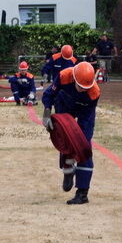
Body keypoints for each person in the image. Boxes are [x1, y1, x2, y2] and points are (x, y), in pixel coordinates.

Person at [41, 61, 101, 205]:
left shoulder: (94, 92)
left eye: (86, 87)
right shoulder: (63, 76)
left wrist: (81, 139)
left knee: (84, 147)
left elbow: (86, 118)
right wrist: (47, 112)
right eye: (80, 86)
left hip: (84, 110)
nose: (83, 89)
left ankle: (82, 193)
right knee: (64, 138)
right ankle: (68, 169)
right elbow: (49, 94)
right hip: (64, 103)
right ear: (74, 79)